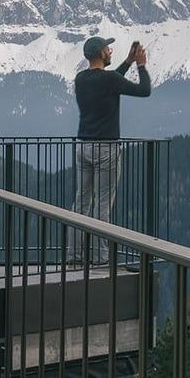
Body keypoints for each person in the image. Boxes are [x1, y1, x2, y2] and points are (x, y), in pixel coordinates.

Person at [70, 35, 151, 264]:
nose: (110, 52)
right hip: (106, 148)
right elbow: (144, 91)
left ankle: (74, 255)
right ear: (101, 54)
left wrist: (127, 62)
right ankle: (100, 257)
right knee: (103, 203)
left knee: (81, 202)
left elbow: (109, 82)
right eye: (108, 49)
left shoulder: (81, 79)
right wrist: (141, 65)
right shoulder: (110, 80)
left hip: (83, 146)